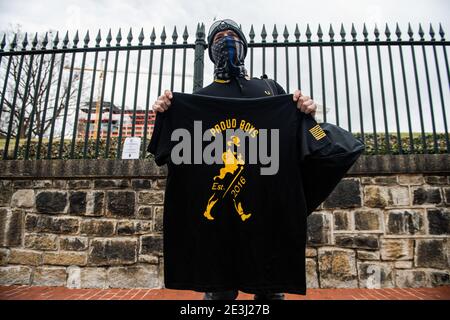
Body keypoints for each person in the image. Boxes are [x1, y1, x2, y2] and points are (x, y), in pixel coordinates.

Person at [151, 19, 318, 300]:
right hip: (218, 232)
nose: (225, 40)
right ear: (211, 49)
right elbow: (164, 153)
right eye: (218, 37)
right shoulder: (197, 100)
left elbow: (312, 137)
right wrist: (164, 114)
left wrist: (309, 115)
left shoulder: (271, 89)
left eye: (231, 35)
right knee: (219, 296)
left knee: (270, 295)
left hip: (267, 220)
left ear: (244, 45)